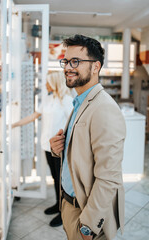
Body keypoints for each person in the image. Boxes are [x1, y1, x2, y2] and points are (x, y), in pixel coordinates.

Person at [49, 35, 126, 240]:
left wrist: (89, 226)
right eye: (66, 61)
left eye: (76, 61)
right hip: (69, 205)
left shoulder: (105, 109)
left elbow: (109, 177)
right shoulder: (80, 102)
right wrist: (60, 149)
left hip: (86, 215)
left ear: (95, 67)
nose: (67, 67)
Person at [12, 71, 73, 227]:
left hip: (60, 147)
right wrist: (14, 124)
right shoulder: (48, 99)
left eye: (47, 82)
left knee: (62, 180)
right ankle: (57, 204)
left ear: (55, 83)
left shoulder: (67, 100)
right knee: (54, 177)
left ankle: (63, 212)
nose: (45, 84)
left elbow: (73, 125)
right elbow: (34, 116)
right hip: (47, 146)